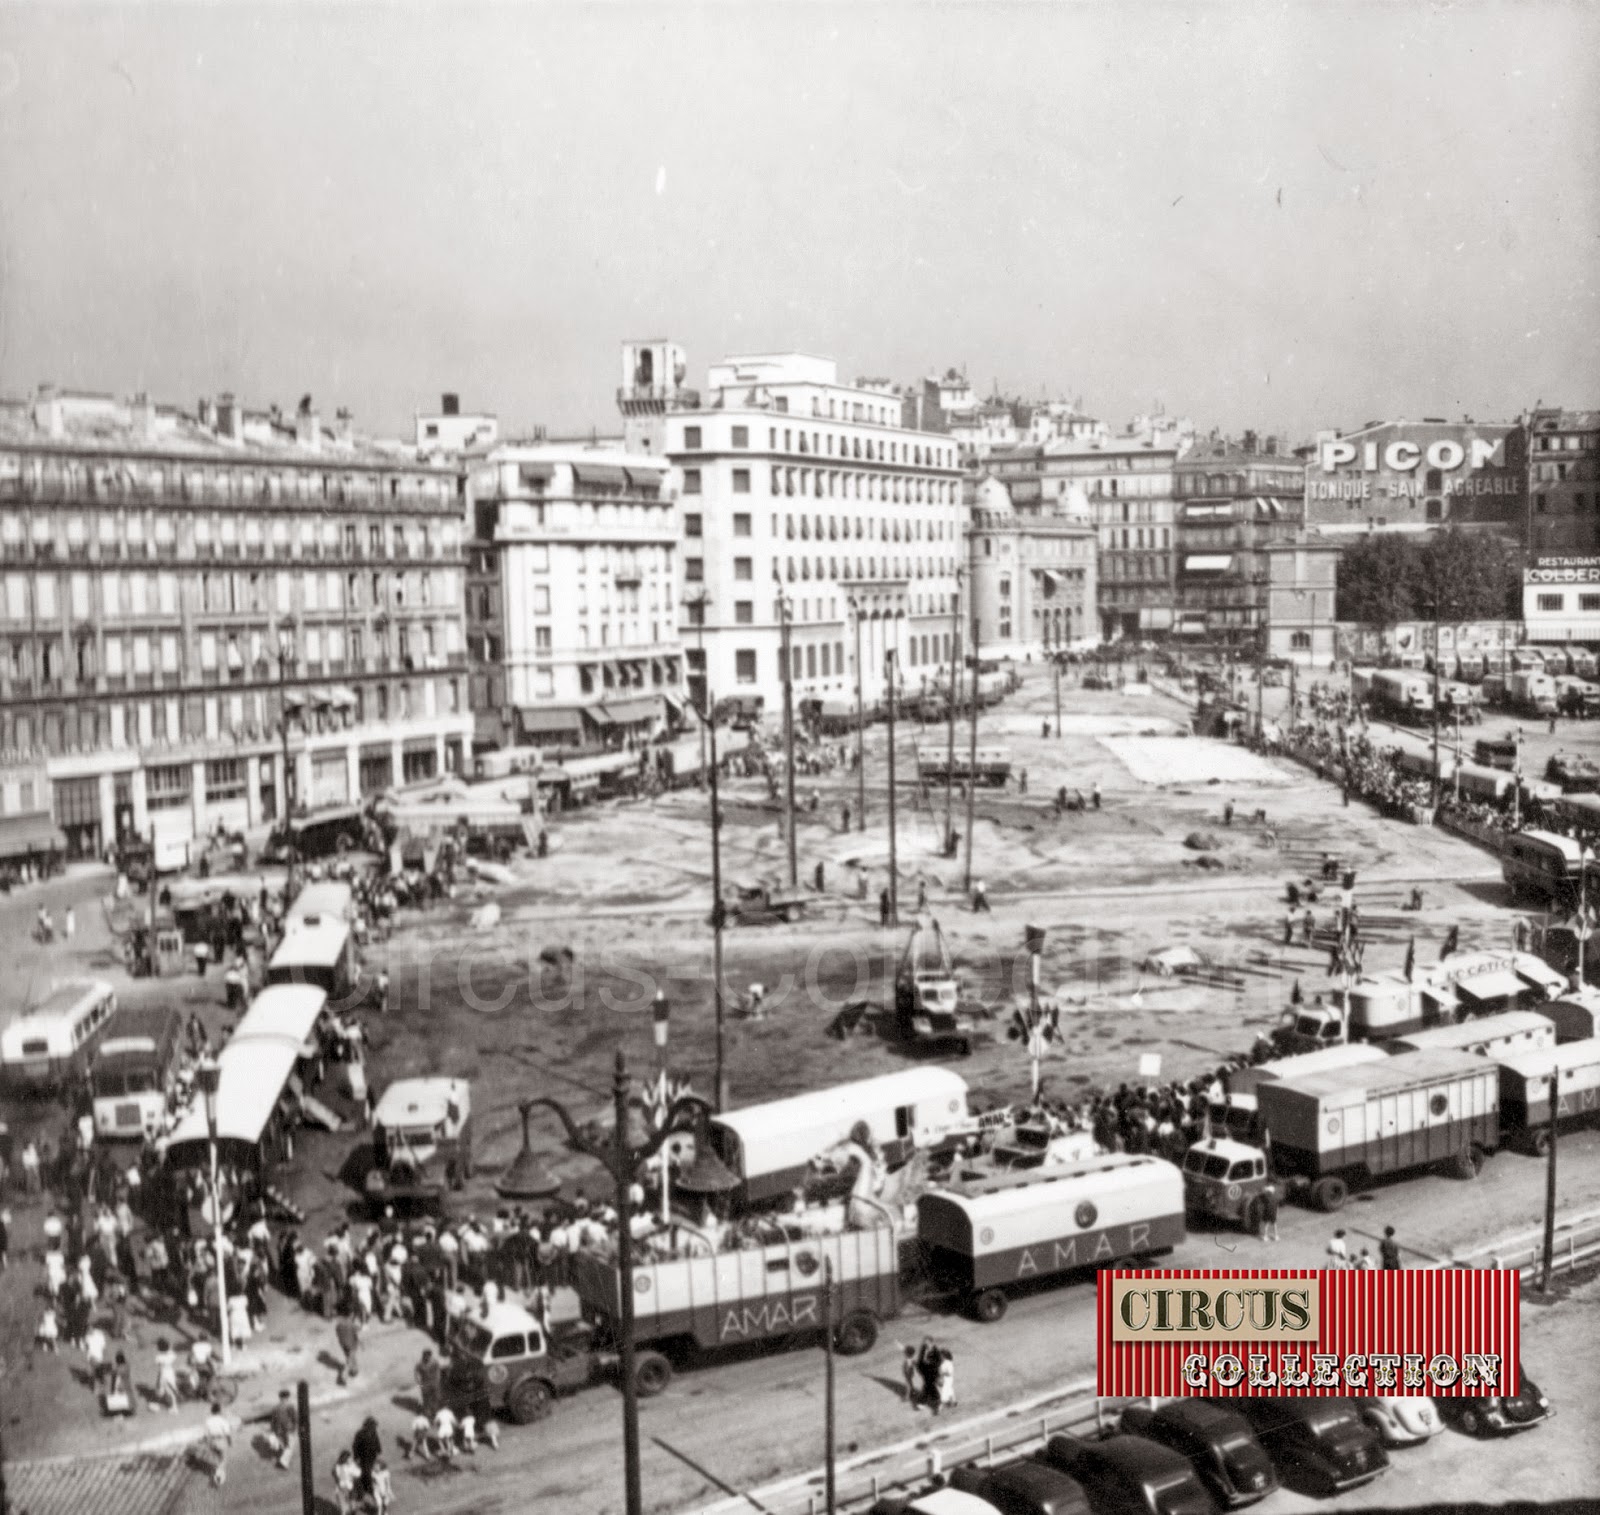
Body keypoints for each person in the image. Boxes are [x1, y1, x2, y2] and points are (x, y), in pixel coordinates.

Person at [203, 1403, 234, 1488]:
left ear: (212, 1411)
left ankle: (219, 1472)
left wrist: (207, 1443)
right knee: (224, 1458)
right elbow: (227, 1433)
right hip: (221, 1440)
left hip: (212, 1441)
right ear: (219, 1411)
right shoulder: (222, 1420)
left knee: (217, 1458)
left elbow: (206, 1434)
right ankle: (218, 1473)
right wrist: (230, 1442)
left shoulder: (208, 1421)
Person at [267, 1388, 297, 1470]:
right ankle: (283, 1462)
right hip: (288, 1429)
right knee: (290, 1446)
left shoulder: (275, 1407)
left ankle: (282, 1459)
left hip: (278, 1430)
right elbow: (294, 1418)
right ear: (287, 1396)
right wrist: (295, 1427)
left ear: (280, 1397)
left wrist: (273, 1430)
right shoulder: (290, 1406)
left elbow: (273, 1420)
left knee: (284, 1444)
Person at [335, 1311, 362, 1386]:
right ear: (350, 1316)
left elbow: (337, 1334)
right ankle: (342, 1378)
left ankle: (354, 1370)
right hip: (351, 1345)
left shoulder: (339, 1325)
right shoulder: (352, 1325)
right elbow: (359, 1330)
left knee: (350, 1357)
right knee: (349, 1361)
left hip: (343, 1345)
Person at [415, 1347, 442, 1417]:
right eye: (425, 1356)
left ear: (430, 1356)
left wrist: (438, 1381)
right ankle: (427, 1414)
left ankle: (435, 1412)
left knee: (435, 1398)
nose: (426, 1358)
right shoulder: (419, 1364)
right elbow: (417, 1374)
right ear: (423, 1356)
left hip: (434, 1383)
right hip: (425, 1383)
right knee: (426, 1399)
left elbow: (438, 1372)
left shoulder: (435, 1362)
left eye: (428, 1356)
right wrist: (419, 1384)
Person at [154, 1337, 181, 1411]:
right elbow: (173, 1355)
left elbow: (159, 1366)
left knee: (162, 1389)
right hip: (170, 1372)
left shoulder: (159, 1356)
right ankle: (170, 1405)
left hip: (163, 1373)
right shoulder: (171, 1354)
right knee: (169, 1389)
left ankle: (173, 1407)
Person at [332, 1449, 360, 1515]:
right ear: (345, 1459)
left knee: (351, 1504)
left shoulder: (347, 1465)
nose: (351, 1460)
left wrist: (352, 1466)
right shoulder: (341, 1467)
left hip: (347, 1487)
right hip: (344, 1488)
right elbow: (357, 1473)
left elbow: (358, 1474)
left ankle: (351, 1511)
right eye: (349, 1459)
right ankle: (349, 1511)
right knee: (345, 1506)